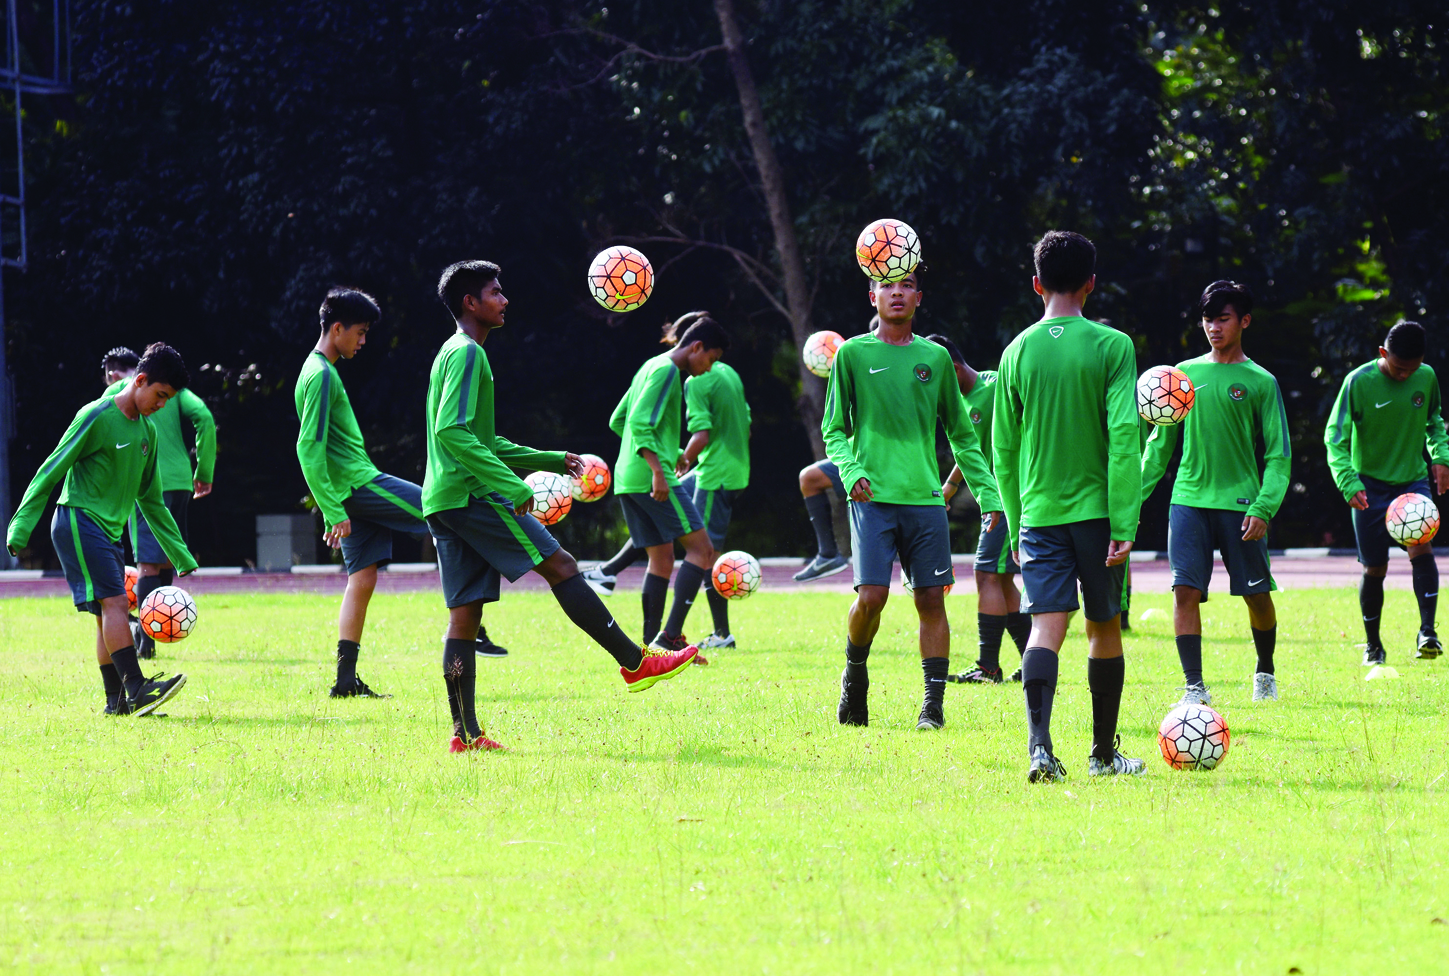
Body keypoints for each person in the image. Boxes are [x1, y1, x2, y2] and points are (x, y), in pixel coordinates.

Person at [424, 261, 697, 753]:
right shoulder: (469, 355)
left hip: (443, 498)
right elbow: (453, 432)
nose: (505, 300)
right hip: (473, 495)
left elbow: (481, 437)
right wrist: (512, 484)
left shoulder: (451, 352)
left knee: (464, 617)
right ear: (470, 302)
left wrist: (547, 458)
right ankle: (636, 662)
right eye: (495, 292)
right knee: (562, 565)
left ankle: (464, 734)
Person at [994, 231, 1144, 782]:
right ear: (1091, 285)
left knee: (1044, 629)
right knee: (1103, 627)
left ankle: (1039, 750)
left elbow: (1003, 451)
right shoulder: (1113, 346)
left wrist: (1015, 520)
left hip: (1037, 515)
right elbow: (1124, 435)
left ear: (1036, 284)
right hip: (1099, 517)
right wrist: (1125, 518)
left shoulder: (1016, 352)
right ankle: (1103, 756)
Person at [823, 270, 1001, 731]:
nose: (896, 293)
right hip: (872, 498)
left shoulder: (935, 358)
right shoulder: (852, 355)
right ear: (873, 295)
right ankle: (855, 674)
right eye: (887, 286)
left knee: (930, 599)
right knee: (873, 597)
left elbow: (962, 435)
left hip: (924, 500)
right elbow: (833, 430)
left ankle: (932, 706)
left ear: (919, 297)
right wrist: (851, 469)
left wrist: (988, 495)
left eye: (905, 285)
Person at [7, 343, 194, 716]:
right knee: (116, 604)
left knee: (105, 613)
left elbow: (151, 500)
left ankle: (117, 702)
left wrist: (180, 555)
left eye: (168, 400)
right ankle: (137, 687)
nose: (161, 405)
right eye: (159, 395)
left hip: (108, 531)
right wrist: (21, 527)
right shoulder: (96, 416)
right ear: (139, 380)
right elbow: (53, 467)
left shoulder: (148, 435)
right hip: (78, 520)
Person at [1141, 281, 1290, 703]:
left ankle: (1265, 670)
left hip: (1242, 505)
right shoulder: (1183, 375)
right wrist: (1128, 501)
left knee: (1257, 596)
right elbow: (1158, 449)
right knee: (1184, 591)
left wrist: (1264, 506)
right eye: (1208, 319)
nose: (1214, 327)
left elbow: (1279, 456)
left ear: (1243, 321)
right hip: (1188, 500)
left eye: (1222, 319)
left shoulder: (1261, 381)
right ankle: (1194, 686)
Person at [296, 288, 448, 700]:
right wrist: (331, 509)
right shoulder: (322, 376)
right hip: (358, 485)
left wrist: (334, 505)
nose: (363, 342)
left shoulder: (316, 371)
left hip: (349, 490)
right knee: (444, 510)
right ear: (338, 328)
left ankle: (345, 681)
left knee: (361, 579)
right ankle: (474, 628)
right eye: (360, 333)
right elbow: (307, 448)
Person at [585, 313, 752, 654]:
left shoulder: (651, 365)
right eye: (710, 359)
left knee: (660, 558)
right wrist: (660, 470)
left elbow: (620, 421)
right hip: (651, 477)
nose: (708, 368)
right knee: (703, 550)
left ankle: (649, 647)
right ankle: (671, 636)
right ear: (697, 346)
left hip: (627, 478)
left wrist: (670, 450)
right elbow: (641, 424)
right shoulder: (667, 374)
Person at [1325, 320, 1449, 665]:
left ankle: (1428, 633)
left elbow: (1434, 421)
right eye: (1398, 368)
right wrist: (1348, 481)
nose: (1405, 376)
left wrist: (1441, 458)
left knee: (1421, 547)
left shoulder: (1426, 376)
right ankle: (1373, 646)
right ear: (1383, 354)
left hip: (1412, 481)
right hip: (1369, 486)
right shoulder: (1358, 382)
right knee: (1374, 568)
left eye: (1412, 369)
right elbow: (1335, 438)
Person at [928, 335, 1033, 686]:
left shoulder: (984, 395)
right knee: (1000, 579)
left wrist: (952, 486)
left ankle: (988, 667)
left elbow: (972, 445)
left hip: (1010, 499)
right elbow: (970, 450)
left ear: (954, 368)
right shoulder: (984, 385)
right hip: (1002, 498)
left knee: (986, 573)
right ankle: (1033, 659)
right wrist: (952, 485)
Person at [101, 346, 216, 659]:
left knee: (147, 564)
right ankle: (159, 630)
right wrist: (203, 470)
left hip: (146, 483)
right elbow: (205, 417)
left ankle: (146, 639)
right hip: (180, 480)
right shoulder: (176, 392)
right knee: (165, 560)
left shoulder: (122, 394)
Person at [793, 315, 881, 583]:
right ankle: (828, 553)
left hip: (887, 462)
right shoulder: (857, 364)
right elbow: (843, 426)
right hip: (857, 460)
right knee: (809, 478)